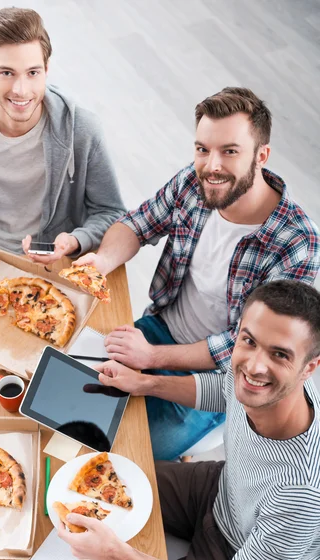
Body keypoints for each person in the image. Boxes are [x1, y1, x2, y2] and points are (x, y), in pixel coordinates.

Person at [74, 87, 319, 459]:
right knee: (70, 406)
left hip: (220, 379)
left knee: (123, 454)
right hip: (157, 331)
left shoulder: (297, 243)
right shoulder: (195, 180)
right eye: (203, 149)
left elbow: (248, 346)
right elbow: (137, 224)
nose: (212, 165)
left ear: (262, 156)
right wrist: (103, 261)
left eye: (229, 151)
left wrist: (153, 360)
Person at [58, 280, 320, 560]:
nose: (253, 366)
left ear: (310, 367)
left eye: (280, 354)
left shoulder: (301, 493)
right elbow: (221, 391)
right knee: (97, 482)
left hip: (239, 557)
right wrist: (143, 383)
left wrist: (121, 555)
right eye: (249, 341)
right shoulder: (256, 384)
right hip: (221, 488)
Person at [0, 7, 125, 317]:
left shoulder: (82, 130)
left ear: (47, 68)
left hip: (55, 257)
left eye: (32, 73)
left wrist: (74, 240)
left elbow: (111, 212)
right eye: (7, 73)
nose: (21, 90)